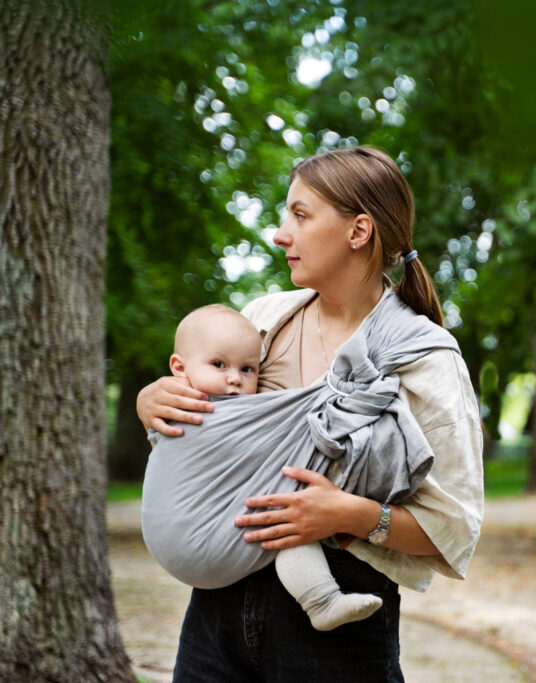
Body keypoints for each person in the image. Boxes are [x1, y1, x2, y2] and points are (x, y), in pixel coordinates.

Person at [137, 146, 484, 682]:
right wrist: (154, 402)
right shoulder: (262, 322)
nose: (280, 234)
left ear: (359, 231)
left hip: (336, 625)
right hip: (216, 616)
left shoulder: (424, 359)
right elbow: (210, 438)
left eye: (300, 215)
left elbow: (454, 528)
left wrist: (349, 516)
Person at [144, 302, 427, 631]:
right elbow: (171, 452)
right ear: (179, 368)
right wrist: (146, 401)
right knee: (285, 515)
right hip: (198, 569)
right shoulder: (180, 405)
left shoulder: (254, 403)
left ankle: (322, 601)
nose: (234, 379)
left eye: (248, 369)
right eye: (219, 365)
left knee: (288, 519)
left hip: (251, 537)